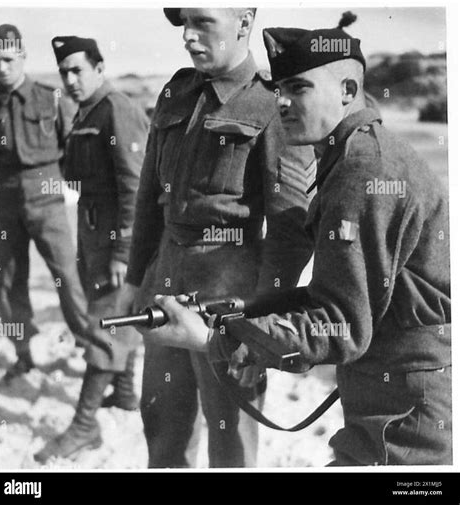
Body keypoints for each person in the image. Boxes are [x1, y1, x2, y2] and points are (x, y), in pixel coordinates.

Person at [137, 21, 451, 466]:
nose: (281, 102)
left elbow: (340, 324)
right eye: (280, 87)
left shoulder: (365, 173)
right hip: (387, 401)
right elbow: (339, 295)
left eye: (298, 88)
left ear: (346, 89)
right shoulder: (358, 156)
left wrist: (213, 338)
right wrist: (243, 318)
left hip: (402, 420)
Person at [121, 8, 313, 468]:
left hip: (231, 297)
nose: (188, 36)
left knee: (232, 443)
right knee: (163, 429)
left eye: (203, 23)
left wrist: (260, 327)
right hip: (164, 286)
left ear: (244, 23)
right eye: (183, 23)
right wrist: (133, 282)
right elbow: (149, 197)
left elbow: (290, 231)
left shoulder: (271, 103)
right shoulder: (175, 91)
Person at [34, 36, 148, 463]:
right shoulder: (85, 112)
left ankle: (84, 427)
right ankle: (123, 393)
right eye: (64, 72)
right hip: (92, 229)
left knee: (106, 323)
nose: (70, 78)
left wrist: (123, 251)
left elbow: (134, 187)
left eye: (78, 69)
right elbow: (75, 175)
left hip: (114, 237)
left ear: (100, 67)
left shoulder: (117, 108)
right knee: (114, 317)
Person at [0, 24, 92, 383]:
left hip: (47, 198)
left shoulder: (50, 99)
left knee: (67, 276)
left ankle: (90, 350)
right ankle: (23, 353)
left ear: (21, 56)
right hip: (3, 202)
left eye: (8, 59)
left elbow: (74, 149)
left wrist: (69, 188)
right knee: (6, 283)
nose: (2, 68)